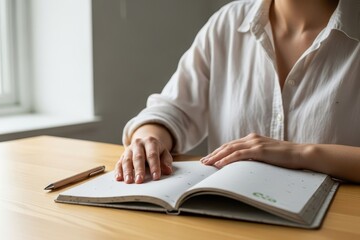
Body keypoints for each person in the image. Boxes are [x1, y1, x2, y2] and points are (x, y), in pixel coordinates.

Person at [114, 0, 360, 184]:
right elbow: (174, 109)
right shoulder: (227, 23)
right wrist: (148, 138)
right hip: (229, 219)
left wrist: (300, 153)